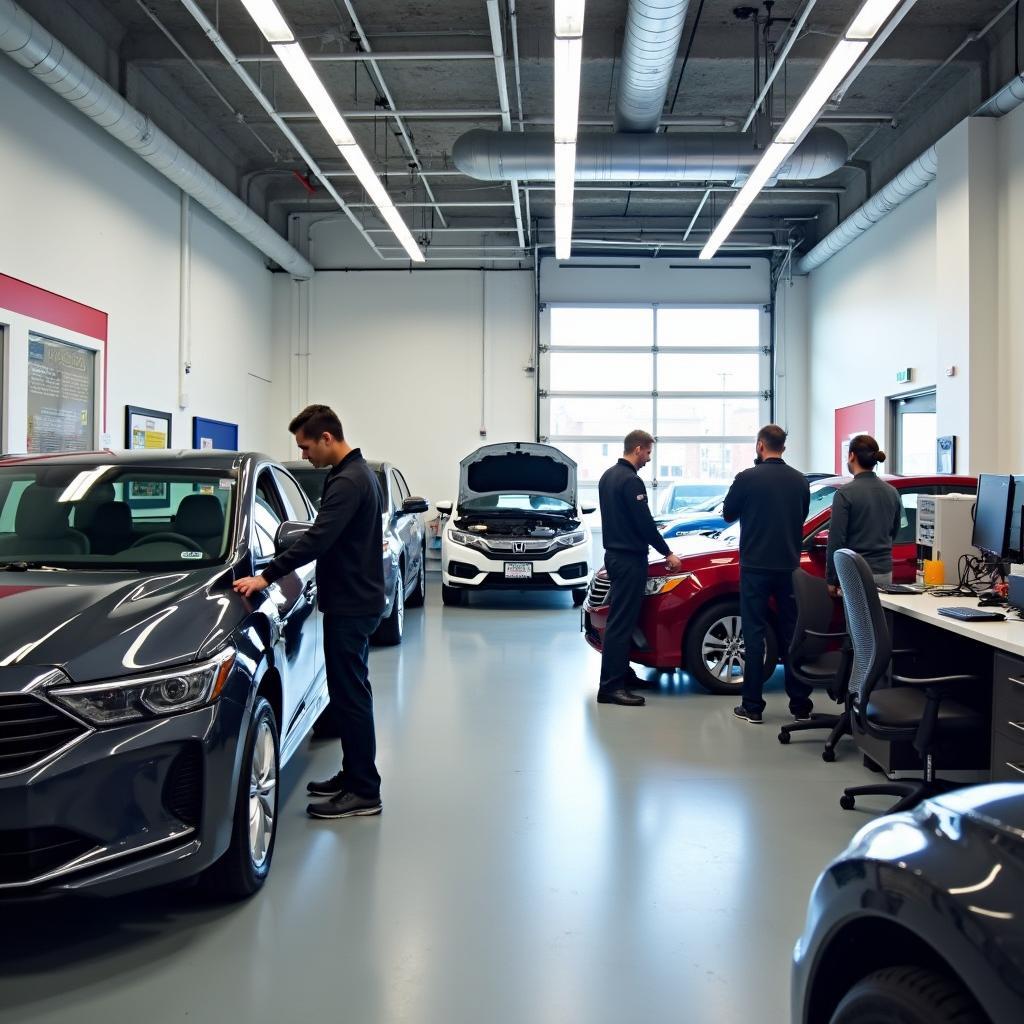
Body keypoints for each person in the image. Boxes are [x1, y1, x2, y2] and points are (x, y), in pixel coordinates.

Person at [234, 404, 386, 820]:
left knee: (351, 697)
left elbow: (318, 539)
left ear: (326, 438)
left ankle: (364, 791)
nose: (303, 455)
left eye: (305, 447)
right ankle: (354, 775)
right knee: (348, 694)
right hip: (357, 600)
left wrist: (266, 576)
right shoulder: (354, 475)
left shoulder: (349, 482)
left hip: (353, 605)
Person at [722, 424, 812, 725]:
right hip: (788, 566)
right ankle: (800, 705)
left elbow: (728, 514)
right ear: (782, 447)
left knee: (754, 634)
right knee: (791, 632)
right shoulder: (800, 481)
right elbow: (801, 516)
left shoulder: (747, 478)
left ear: (761, 445)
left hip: (755, 568)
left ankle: (752, 706)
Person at [597, 429, 683, 707]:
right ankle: (610, 688)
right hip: (629, 559)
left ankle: (623, 674)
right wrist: (667, 552)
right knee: (621, 623)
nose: (648, 459)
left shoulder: (608, 476)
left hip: (614, 554)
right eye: (647, 453)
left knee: (625, 620)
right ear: (637, 449)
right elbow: (644, 524)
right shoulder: (631, 481)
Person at [826, 434, 902, 596]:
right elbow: (894, 531)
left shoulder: (845, 493)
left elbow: (836, 539)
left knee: (857, 621)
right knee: (880, 620)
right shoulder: (892, 492)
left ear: (852, 456)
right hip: (884, 572)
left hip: (855, 572)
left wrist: (832, 578)